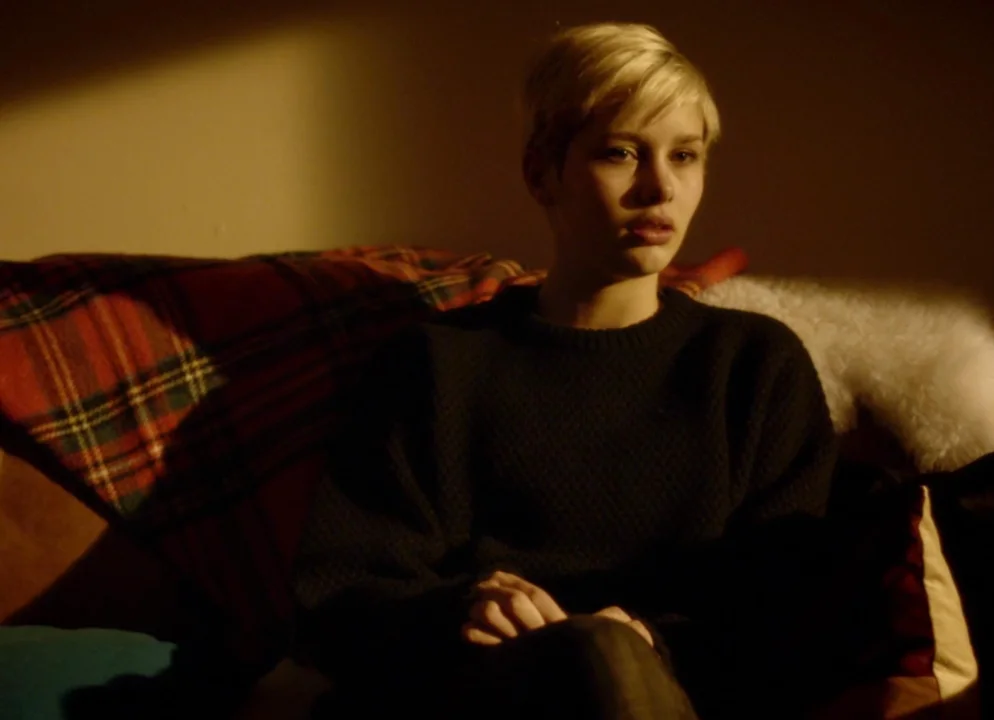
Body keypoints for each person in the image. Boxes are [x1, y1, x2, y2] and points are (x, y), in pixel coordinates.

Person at [291, 21, 838, 719]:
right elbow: (338, 597)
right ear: (541, 172)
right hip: (480, 695)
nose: (660, 188)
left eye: (685, 156)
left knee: (605, 660)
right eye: (621, 153)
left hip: (679, 698)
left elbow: (796, 604)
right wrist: (462, 609)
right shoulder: (437, 365)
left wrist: (649, 645)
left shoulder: (753, 366)